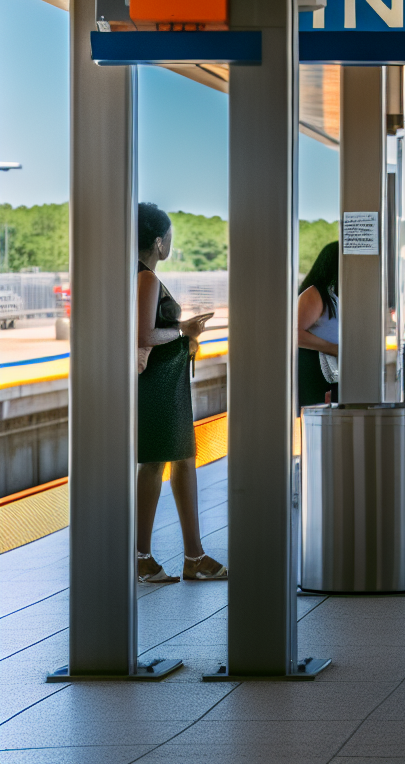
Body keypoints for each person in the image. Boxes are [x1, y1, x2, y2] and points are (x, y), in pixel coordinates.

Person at [134, 203, 226, 583]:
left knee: (176, 461)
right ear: (158, 241)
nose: (169, 242)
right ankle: (155, 557)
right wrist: (184, 331)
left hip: (162, 383)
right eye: (168, 237)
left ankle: (188, 555)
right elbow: (143, 335)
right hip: (157, 385)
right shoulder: (147, 278)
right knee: (161, 463)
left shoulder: (132, 274)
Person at [296, 242, 340, 407]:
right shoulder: (315, 294)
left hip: (329, 372)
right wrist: (332, 348)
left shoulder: (333, 294)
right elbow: (295, 334)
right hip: (314, 370)